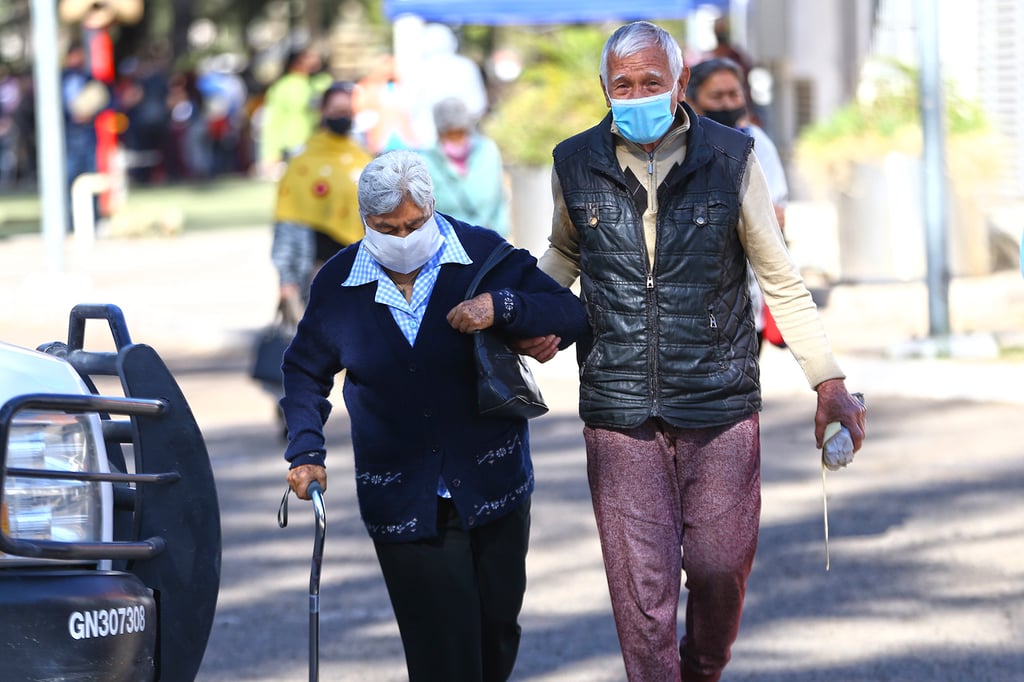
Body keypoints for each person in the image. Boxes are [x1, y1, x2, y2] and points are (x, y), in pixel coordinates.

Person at [527, 21, 867, 682]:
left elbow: (781, 280)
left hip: (719, 402)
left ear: (679, 84)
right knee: (642, 602)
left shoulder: (733, 158)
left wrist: (828, 382)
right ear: (604, 88)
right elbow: (565, 251)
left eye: (651, 82)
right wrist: (528, 310)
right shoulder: (573, 161)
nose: (637, 94)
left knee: (718, 567)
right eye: (622, 85)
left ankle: (704, 668)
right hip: (619, 409)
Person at [280, 150, 589, 682]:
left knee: (497, 632)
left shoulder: (480, 253)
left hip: (492, 480)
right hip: (403, 492)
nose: (402, 238)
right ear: (365, 223)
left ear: (431, 208)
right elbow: (304, 371)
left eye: (413, 224)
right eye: (386, 228)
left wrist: (502, 307)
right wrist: (306, 450)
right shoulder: (338, 284)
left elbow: (570, 312)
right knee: (442, 652)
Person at [687, 56, 789, 353]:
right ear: (692, 100)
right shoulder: (678, 147)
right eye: (717, 96)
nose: (728, 103)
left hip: (744, 296)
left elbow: (776, 216)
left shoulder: (756, 143)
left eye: (734, 94)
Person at [270, 81, 373, 323]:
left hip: (362, 269)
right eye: (337, 111)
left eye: (347, 112)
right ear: (323, 112)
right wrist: (287, 280)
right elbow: (287, 220)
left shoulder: (362, 156)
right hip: (317, 271)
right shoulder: (302, 162)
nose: (342, 117)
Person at [420, 96, 510, 237]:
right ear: (439, 133)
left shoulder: (487, 151)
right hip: (448, 241)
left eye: (460, 132)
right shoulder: (426, 163)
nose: (457, 139)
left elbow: (499, 200)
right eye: (450, 134)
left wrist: (501, 238)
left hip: (491, 239)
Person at [258, 46, 330, 178]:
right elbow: (272, 121)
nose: (313, 61)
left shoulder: (316, 83)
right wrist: (270, 153)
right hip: (293, 144)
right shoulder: (283, 87)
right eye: (308, 58)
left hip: (316, 142)